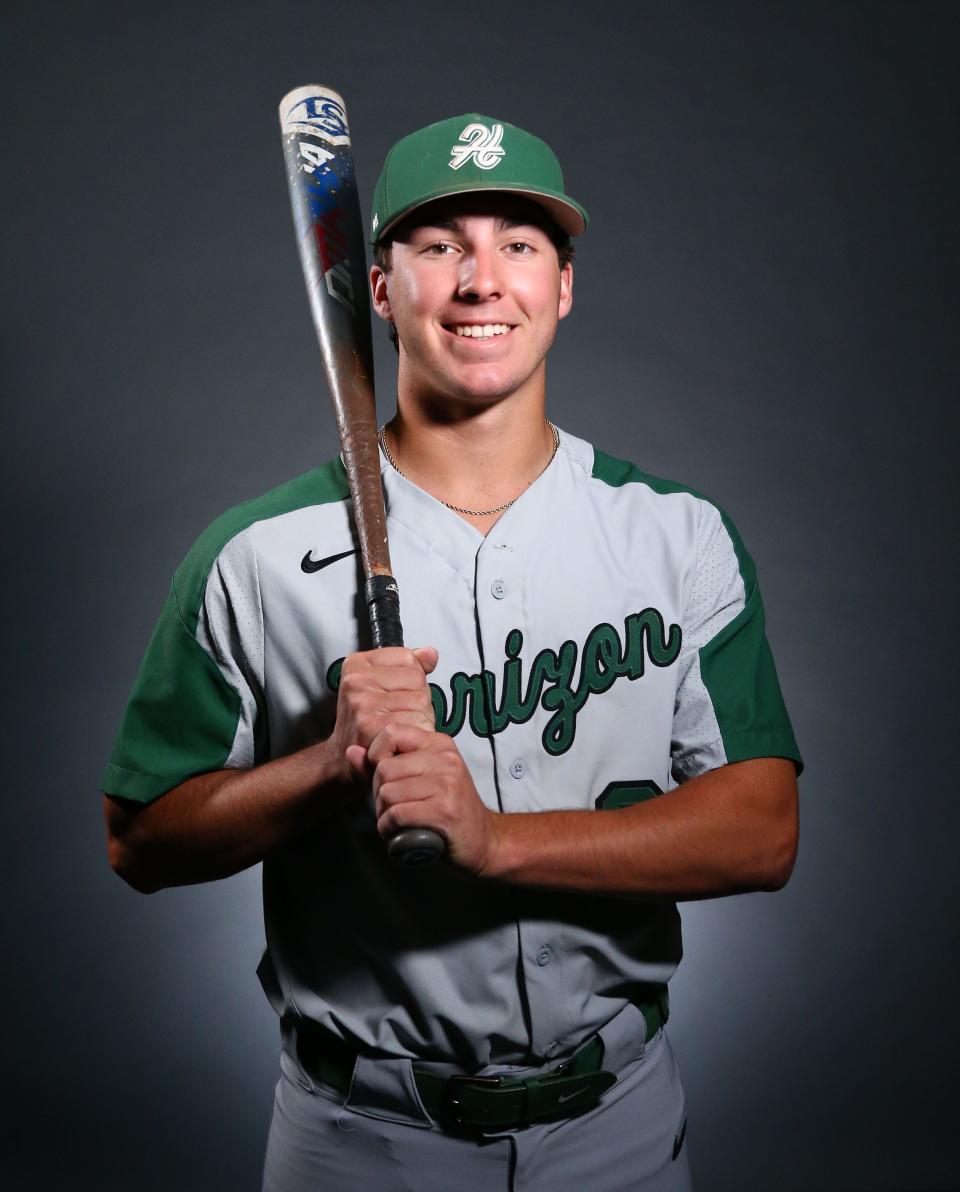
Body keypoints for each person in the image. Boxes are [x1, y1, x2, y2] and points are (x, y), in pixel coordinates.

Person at [102, 112, 802, 1191]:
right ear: (377, 291)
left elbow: (762, 831)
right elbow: (139, 838)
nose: (482, 280)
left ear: (563, 285)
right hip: (362, 1141)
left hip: (618, 1126)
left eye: (518, 243)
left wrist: (494, 839)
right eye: (439, 247)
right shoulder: (253, 555)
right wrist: (325, 764)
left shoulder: (677, 533)